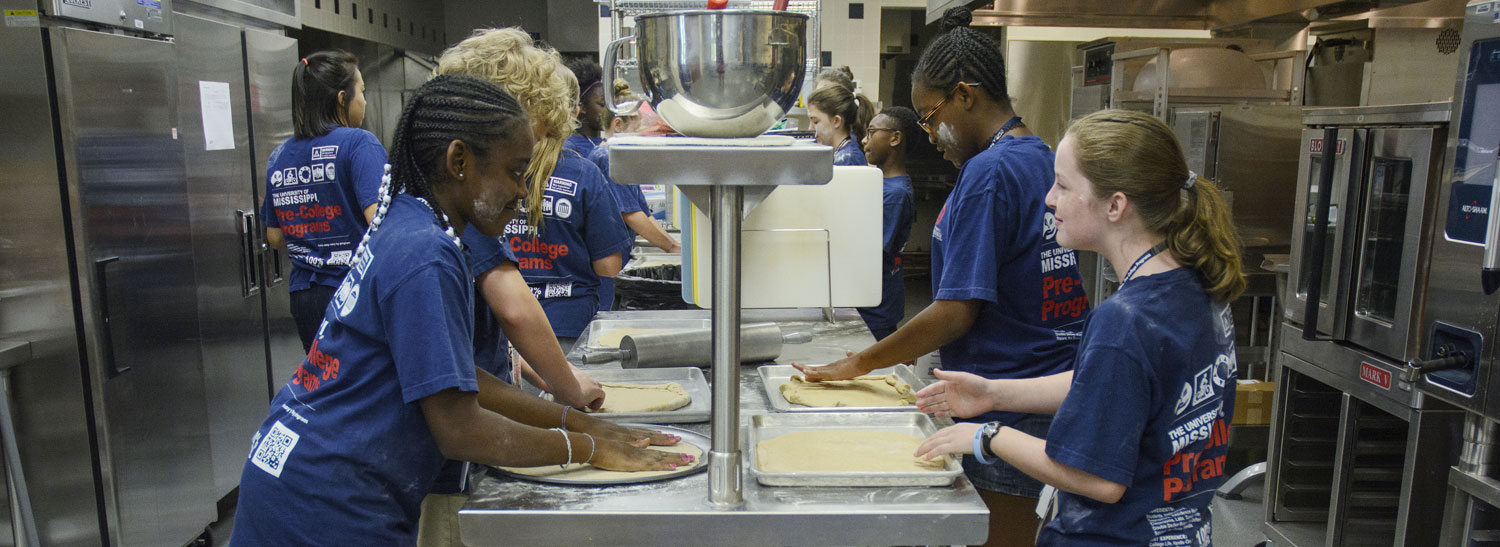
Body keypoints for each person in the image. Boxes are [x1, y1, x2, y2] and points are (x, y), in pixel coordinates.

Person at [231, 75, 692, 547]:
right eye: (515, 172)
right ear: (458, 161)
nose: (522, 192)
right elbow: (459, 427)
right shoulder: (426, 254)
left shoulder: (412, 221)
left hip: (302, 473)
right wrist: (588, 449)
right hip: (324, 504)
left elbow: (458, 376)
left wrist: (578, 421)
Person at [793, 8, 1089, 547]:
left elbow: (958, 309)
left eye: (930, 116)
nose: (928, 135)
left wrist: (858, 363)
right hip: (1044, 390)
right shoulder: (1037, 156)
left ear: (966, 95)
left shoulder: (989, 171)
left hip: (1008, 401)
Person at [914, 108, 1245, 545]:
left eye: (1063, 186)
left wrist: (988, 436)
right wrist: (995, 392)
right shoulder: (1197, 286)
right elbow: (1116, 387)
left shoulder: (1124, 319)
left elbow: (1096, 478)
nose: (1049, 199)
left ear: (1115, 205)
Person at [439, 28, 633, 355]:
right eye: (516, 169)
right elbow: (450, 391)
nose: (520, 190)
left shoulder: (457, 203)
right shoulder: (440, 225)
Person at [262, 49, 386, 352]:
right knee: (370, 387)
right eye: (362, 92)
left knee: (327, 386)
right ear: (342, 98)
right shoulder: (359, 143)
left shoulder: (279, 156)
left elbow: (275, 236)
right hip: (354, 293)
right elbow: (382, 223)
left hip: (305, 298)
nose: (365, 102)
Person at [856, 107, 919, 341]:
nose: (864, 140)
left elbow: (874, 253)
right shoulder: (882, 184)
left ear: (895, 138)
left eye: (871, 132)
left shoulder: (896, 194)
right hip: (870, 305)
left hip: (876, 311)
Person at [807, 83, 870, 166]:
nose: (810, 129)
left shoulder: (849, 159)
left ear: (836, 121)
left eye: (816, 122)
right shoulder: (839, 153)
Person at [562, 55, 607, 159]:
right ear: (582, 108)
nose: (608, 110)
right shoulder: (570, 148)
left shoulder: (606, 142)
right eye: (602, 104)